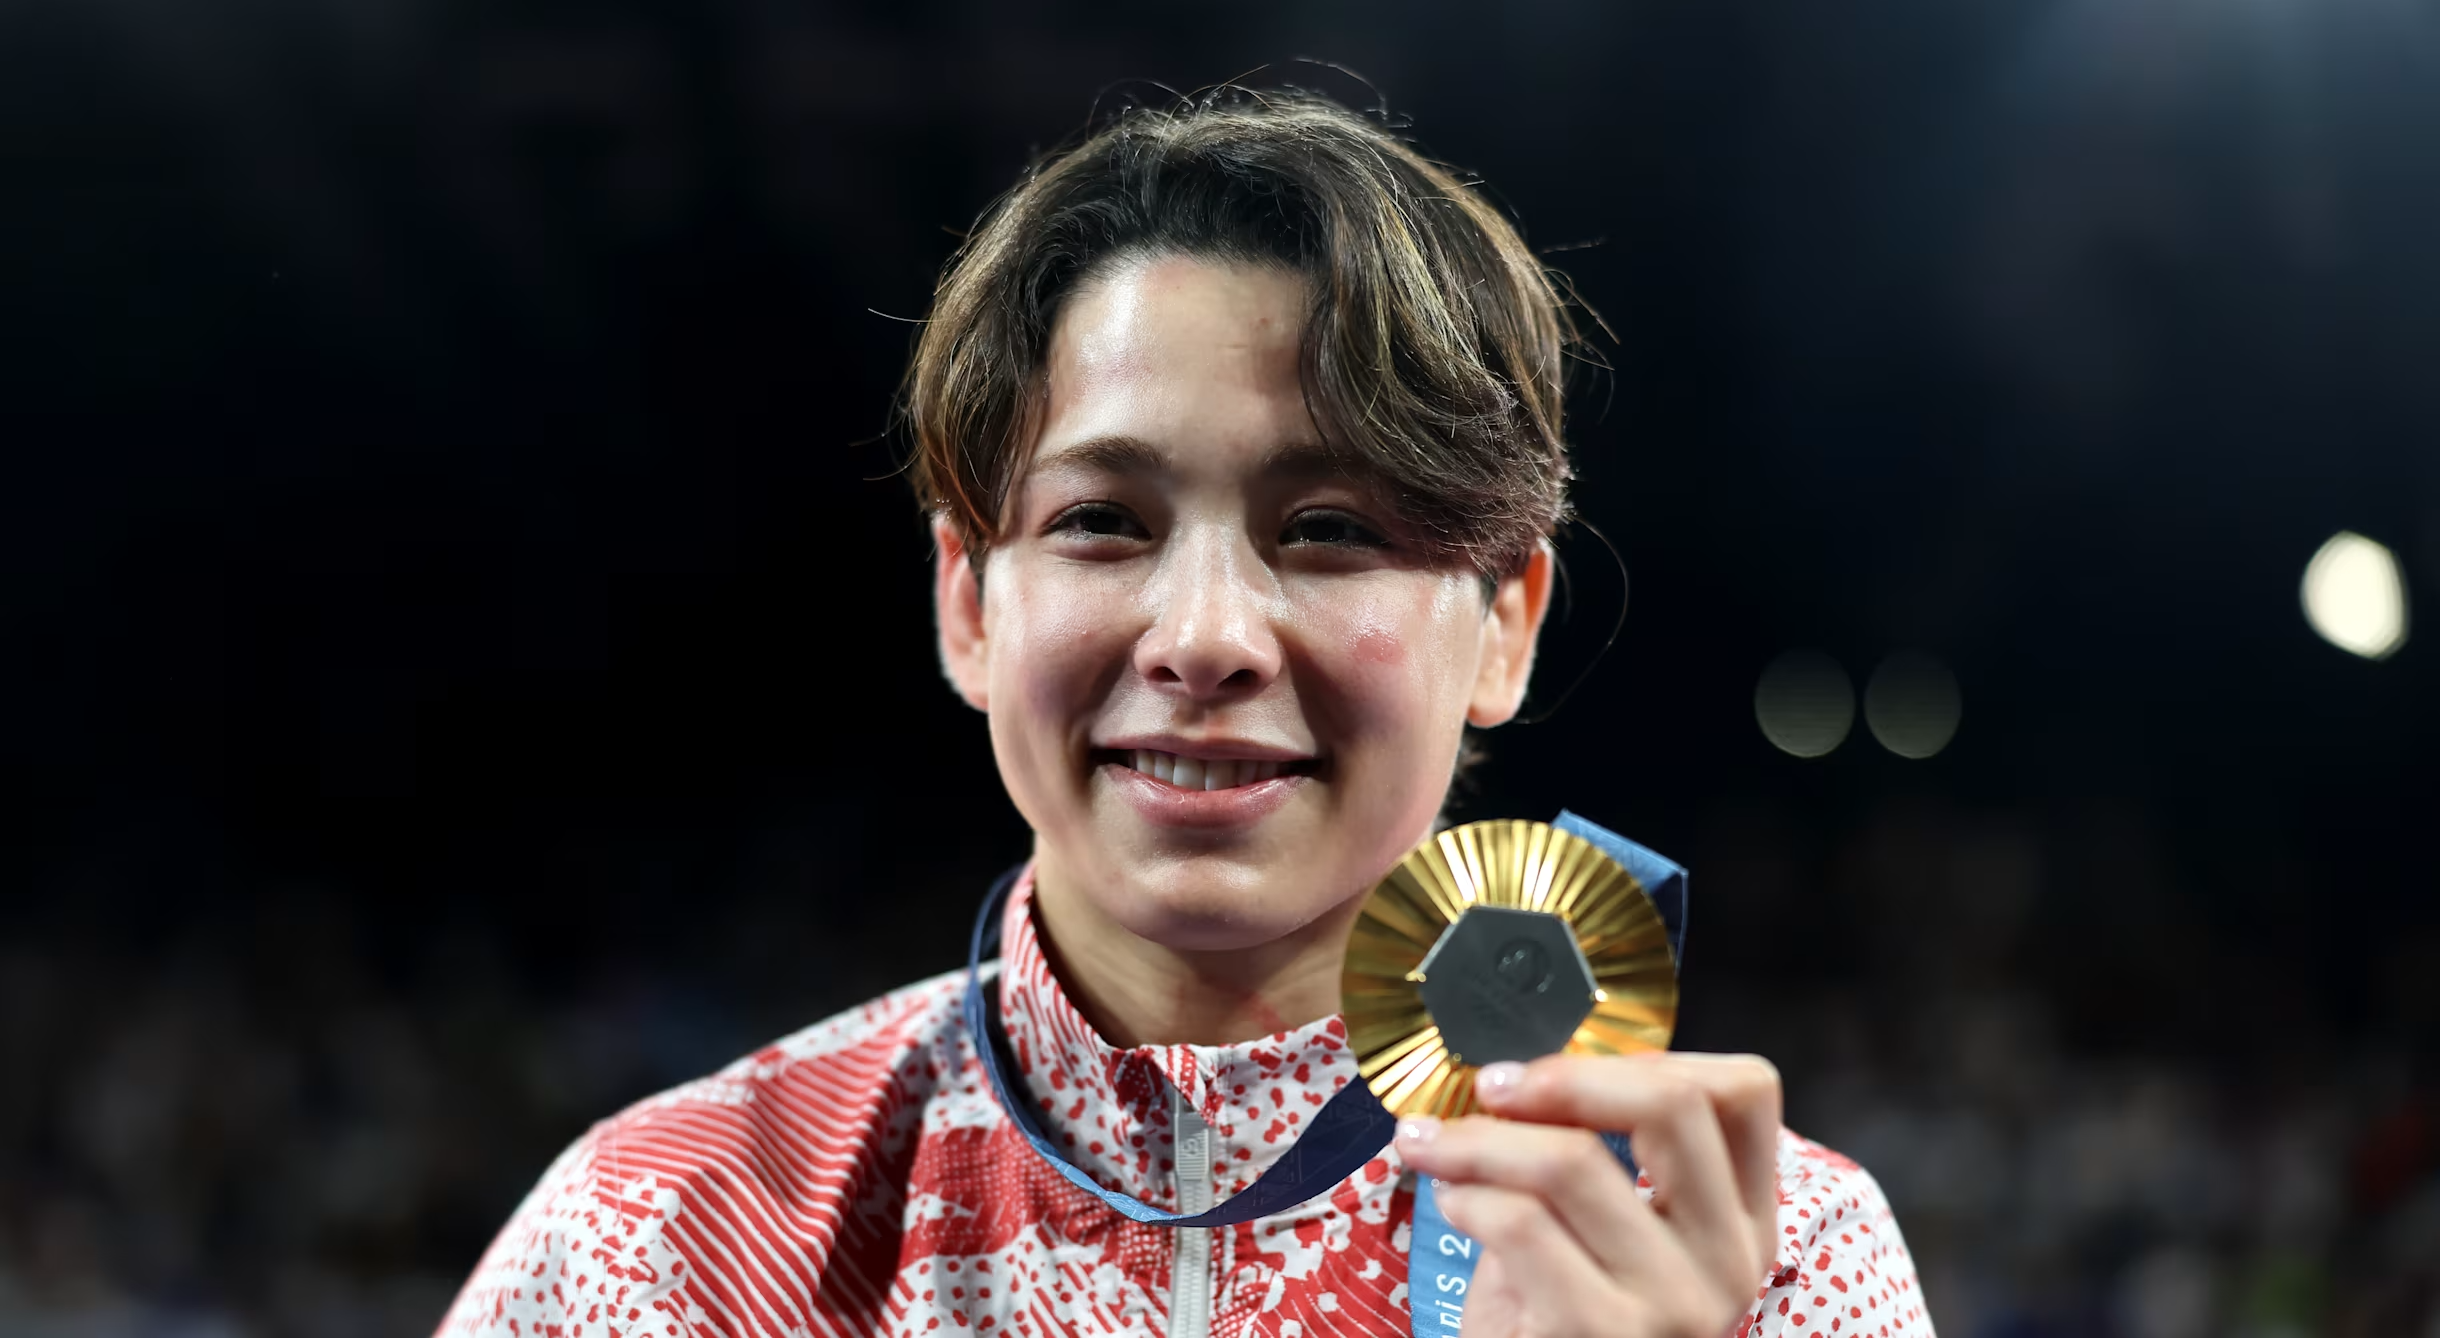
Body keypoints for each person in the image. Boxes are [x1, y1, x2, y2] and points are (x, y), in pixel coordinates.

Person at [433, 89, 1931, 1338]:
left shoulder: (1773, 1264)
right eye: (1102, 519)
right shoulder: (660, 1243)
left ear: (1507, 626)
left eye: (1332, 526)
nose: (1206, 637)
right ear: (968, 603)